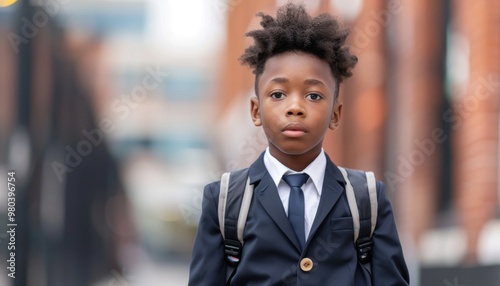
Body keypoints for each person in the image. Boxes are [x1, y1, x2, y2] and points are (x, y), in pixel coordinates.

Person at [189, 3, 409, 285]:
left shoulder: (366, 199)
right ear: (255, 111)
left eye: (314, 96)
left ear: (336, 114)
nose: (295, 107)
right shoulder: (225, 202)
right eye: (278, 94)